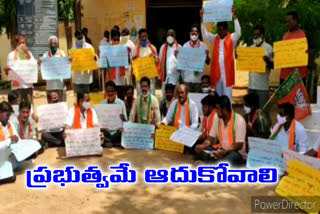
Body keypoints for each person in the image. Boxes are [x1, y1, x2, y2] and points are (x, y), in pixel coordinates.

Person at [201, 7, 241, 102]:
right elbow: (205, 35)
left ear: (226, 30)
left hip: (227, 74)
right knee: (218, 97)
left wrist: (234, 17)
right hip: (217, 73)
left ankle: (228, 116)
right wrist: (202, 19)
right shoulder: (215, 38)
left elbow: (238, 33)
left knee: (227, 98)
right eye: (218, 30)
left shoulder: (232, 38)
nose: (220, 32)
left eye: (222, 30)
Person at [195, 96, 246, 166]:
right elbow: (210, 138)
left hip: (235, 152)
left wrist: (225, 151)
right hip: (220, 149)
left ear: (225, 110)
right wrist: (202, 146)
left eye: (218, 109)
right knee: (201, 155)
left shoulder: (239, 120)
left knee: (225, 162)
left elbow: (239, 145)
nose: (216, 111)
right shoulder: (217, 118)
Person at [5, 34, 35, 104]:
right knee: (17, 107)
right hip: (16, 87)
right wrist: (7, 70)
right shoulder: (11, 55)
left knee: (29, 107)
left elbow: (34, 67)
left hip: (27, 86)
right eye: (20, 43)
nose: (22, 45)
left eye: (23, 42)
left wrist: (27, 52)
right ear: (16, 43)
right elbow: (8, 73)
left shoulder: (29, 53)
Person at [248, 25, 273, 108]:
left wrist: (267, 61)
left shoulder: (268, 48)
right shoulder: (250, 48)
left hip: (262, 87)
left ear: (262, 35)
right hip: (251, 85)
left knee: (263, 111)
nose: (255, 37)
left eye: (257, 34)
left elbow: (273, 65)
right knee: (251, 111)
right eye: (254, 34)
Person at [280, 11, 308, 84]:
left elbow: (309, 53)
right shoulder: (285, 36)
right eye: (286, 22)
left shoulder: (303, 35)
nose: (287, 24)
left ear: (296, 21)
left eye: (289, 21)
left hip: (298, 76)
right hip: (284, 75)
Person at [181, 25, 210, 93]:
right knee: (188, 100)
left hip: (198, 80)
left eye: (195, 32)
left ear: (198, 34)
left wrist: (207, 55)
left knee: (197, 99)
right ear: (189, 33)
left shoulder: (203, 46)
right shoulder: (185, 46)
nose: (194, 33)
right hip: (187, 79)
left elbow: (208, 62)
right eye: (192, 32)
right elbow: (182, 62)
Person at [132, 29, 159, 95]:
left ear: (147, 36)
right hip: (140, 80)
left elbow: (157, 62)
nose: (144, 38)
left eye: (145, 36)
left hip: (151, 79)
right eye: (142, 37)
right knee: (140, 99)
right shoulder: (135, 49)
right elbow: (132, 63)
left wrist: (154, 58)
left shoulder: (153, 48)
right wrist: (134, 60)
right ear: (139, 38)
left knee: (151, 99)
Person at [41, 35, 67, 102]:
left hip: (60, 84)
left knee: (61, 103)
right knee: (51, 105)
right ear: (49, 45)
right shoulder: (45, 55)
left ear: (57, 44)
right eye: (51, 43)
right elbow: (42, 68)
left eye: (55, 43)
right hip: (50, 85)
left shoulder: (62, 54)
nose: (53, 45)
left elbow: (66, 66)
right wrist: (40, 63)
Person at [101, 81, 127, 148]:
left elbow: (125, 121)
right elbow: (100, 121)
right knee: (99, 132)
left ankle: (108, 141)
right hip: (106, 131)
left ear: (115, 92)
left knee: (124, 130)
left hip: (117, 132)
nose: (110, 93)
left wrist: (123, 119)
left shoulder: (121, 103)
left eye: (112, 91)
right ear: (106, 92)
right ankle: (112, 142)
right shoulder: (102, 104)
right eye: (108, 91)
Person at [105, 28, 129, 100]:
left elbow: (126, 60)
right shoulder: (108, 48)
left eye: (117, 40)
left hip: (120, 76)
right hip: (111, 77)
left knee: (121, 96)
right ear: (111, 39)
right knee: (111, 97)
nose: (116, 41)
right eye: (114, 40)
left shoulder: (123, 47)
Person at [0, 101, 19, 184]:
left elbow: (17, 139)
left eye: (9, 115)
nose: (8, 118)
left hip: (9, 156)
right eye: (7, 115)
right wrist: (10, 140)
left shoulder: (10, 124)